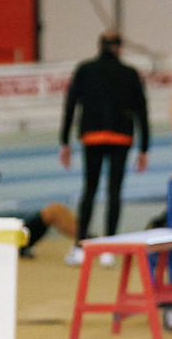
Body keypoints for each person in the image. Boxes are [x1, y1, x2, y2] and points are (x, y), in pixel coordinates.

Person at [59, 31, 151, 246]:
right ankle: (110, 244)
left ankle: (81, 243)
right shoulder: (130, 73)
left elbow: (70, 106)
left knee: (89, 189)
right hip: (121, 138)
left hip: (93, 137)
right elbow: (142, 111)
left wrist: (64, 142)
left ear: (99, 46)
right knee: (114, 191)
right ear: (119, 48)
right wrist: (144, 148)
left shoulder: (85, 70)